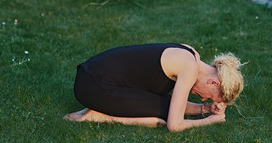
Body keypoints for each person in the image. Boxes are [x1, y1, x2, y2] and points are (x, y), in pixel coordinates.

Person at [64, 43, 244, 132]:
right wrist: (208, 120)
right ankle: (99, 116)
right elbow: (175, 125)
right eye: (210, 98)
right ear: (214, 83)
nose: (204, 99)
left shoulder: (191, 54)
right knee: (161, 119)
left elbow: (175, 103)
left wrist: (205, 109)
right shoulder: (188, 69)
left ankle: (99, 108)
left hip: (91, 75)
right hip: (94, 86)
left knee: (166, 106)